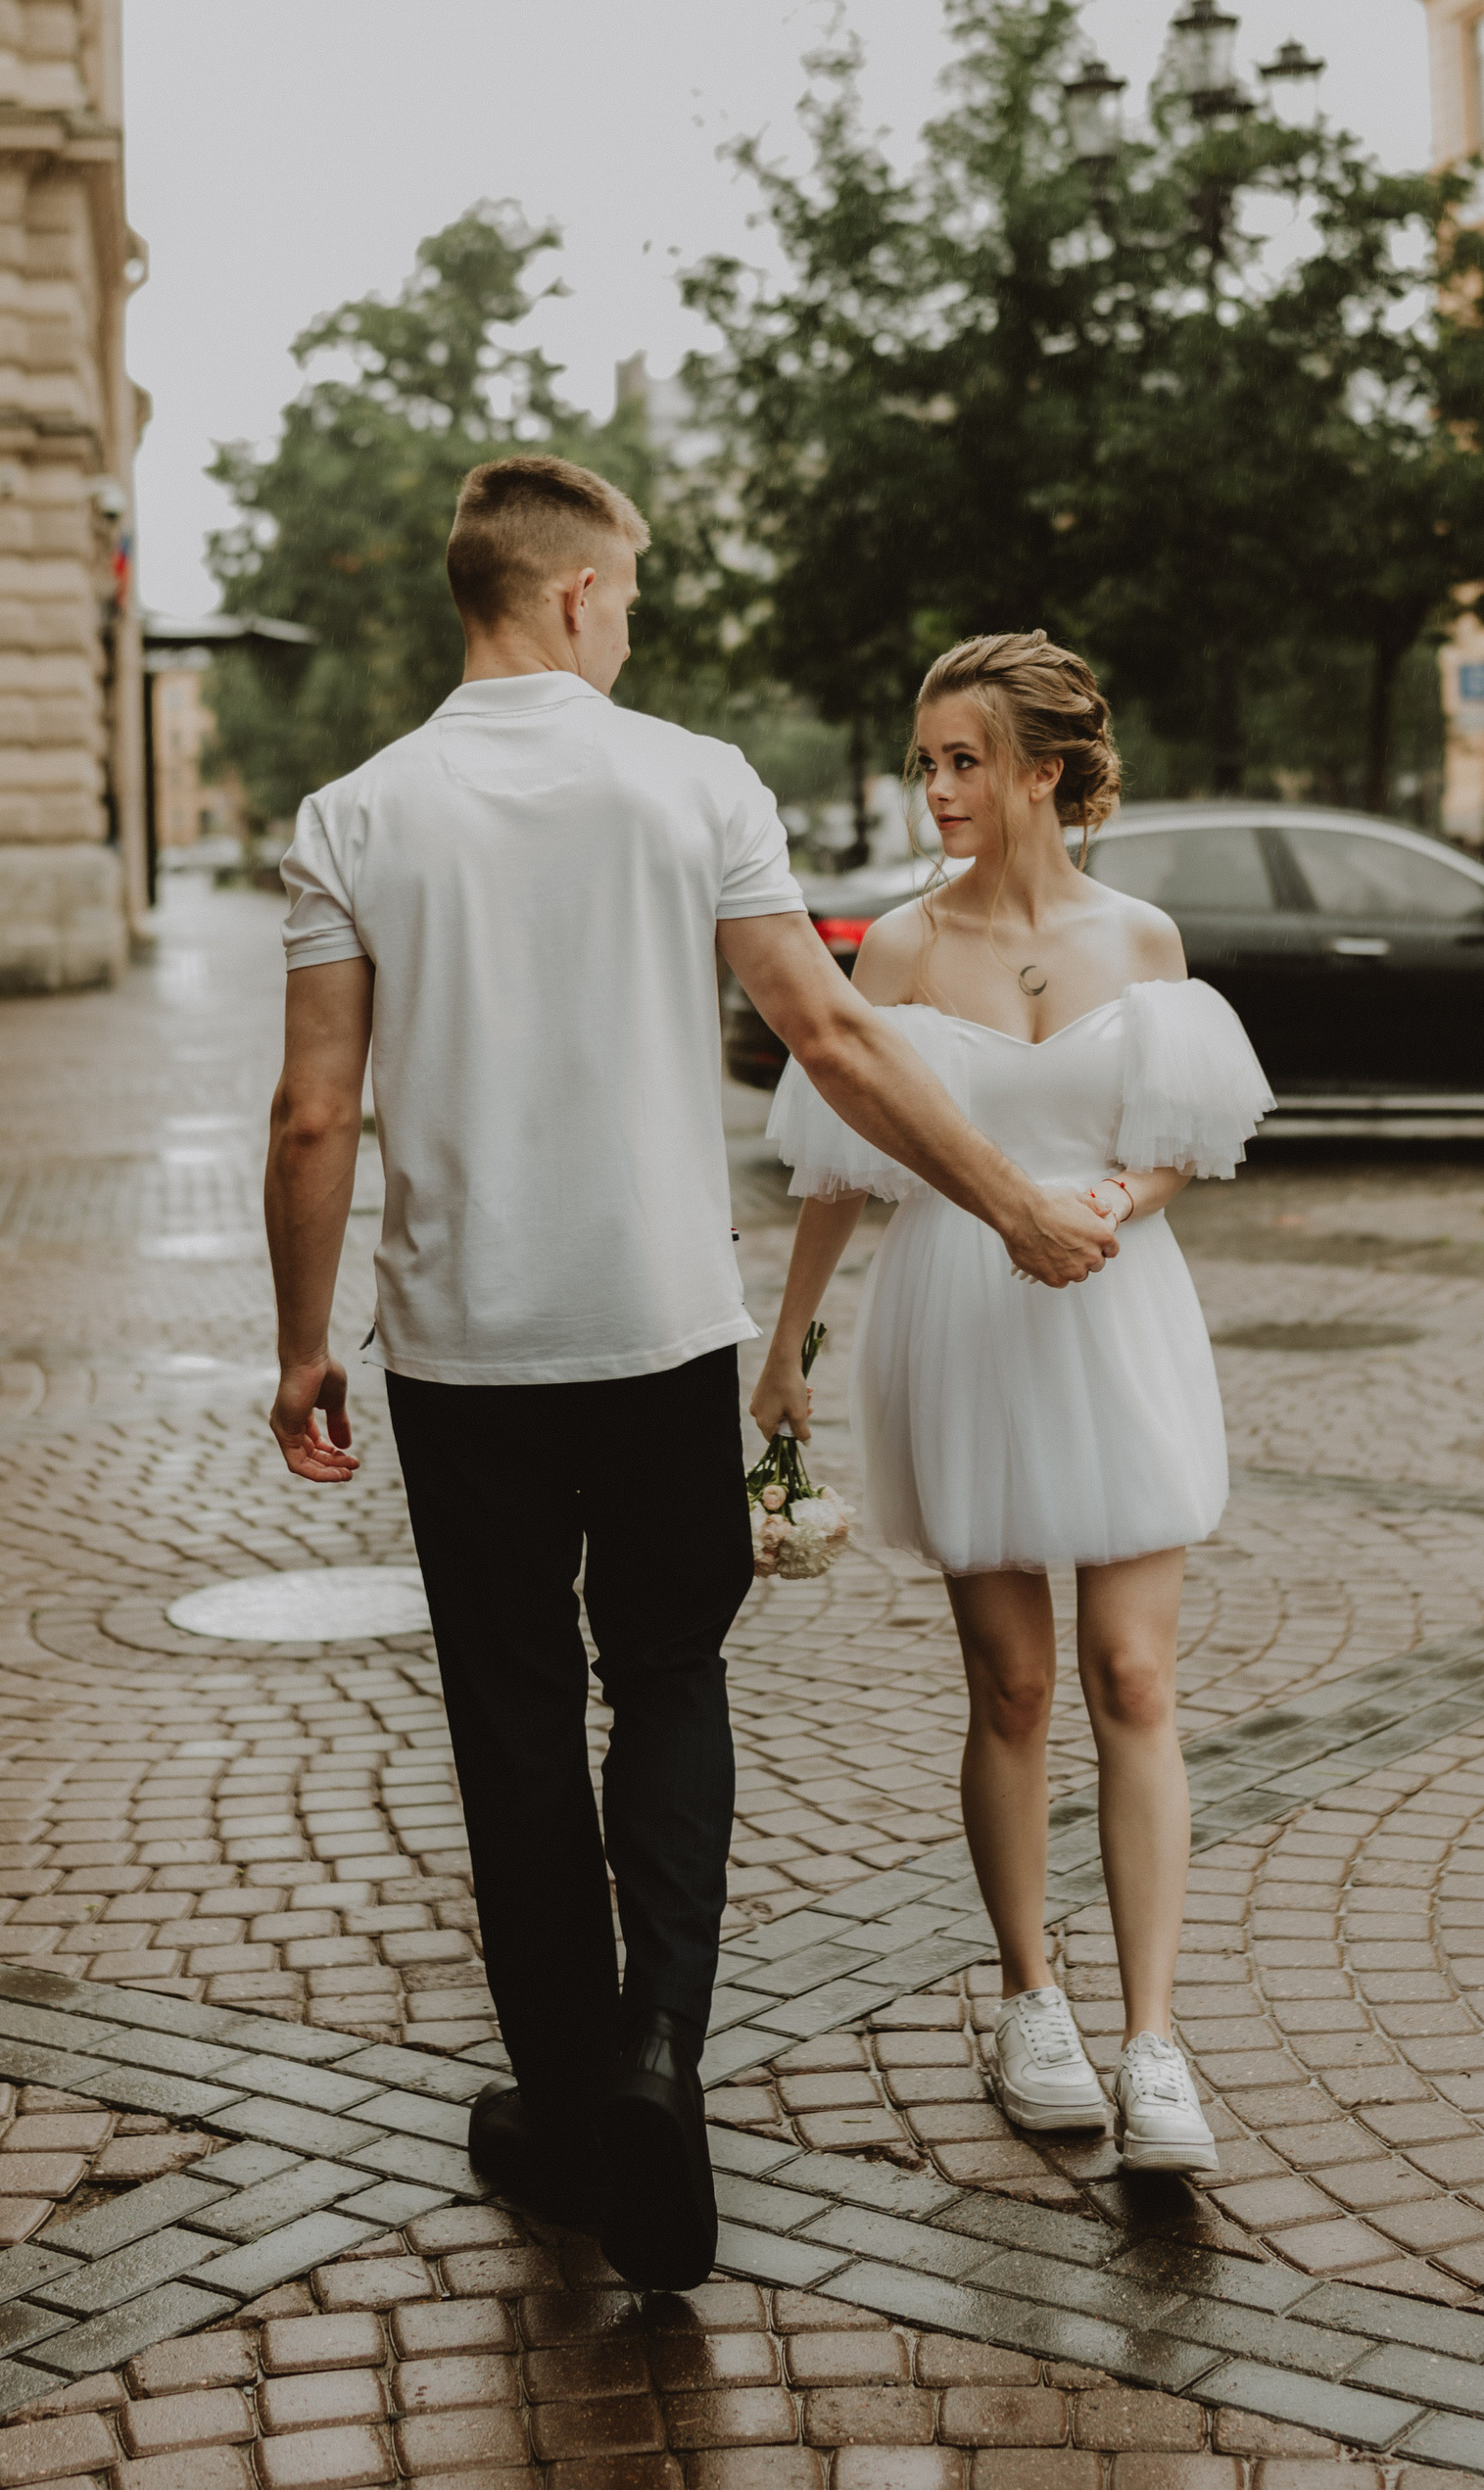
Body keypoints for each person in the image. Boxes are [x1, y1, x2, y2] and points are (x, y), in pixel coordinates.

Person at [259, 460, 1124, 2293]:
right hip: (660, 1333)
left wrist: (302, 1341)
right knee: (665, 1680)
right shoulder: (694, 779)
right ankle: (658, 2061)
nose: (634, 619)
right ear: (574, 594)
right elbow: (829, 1031)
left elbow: (313, 1108)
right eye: (630, 589)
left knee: (507, 1719)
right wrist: (1015, 1205)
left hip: (466, 1349)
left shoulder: (352, 815)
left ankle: (570, 2107)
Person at [750, 631, 1269, 2177]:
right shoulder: (900, 951)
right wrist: (790, 1348)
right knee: (1014, 1688)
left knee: (1135, 1678)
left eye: (964, 761)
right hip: (960, 1312)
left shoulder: (1145, 940)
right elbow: (846, 1162)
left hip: (1115, 1305)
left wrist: (1119, 1193)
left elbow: (1188, 1130)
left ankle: (1155, 2038)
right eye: (926, 763)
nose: (937, 790)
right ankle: (1030, 1998)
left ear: (1048, 770)